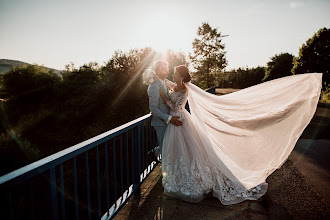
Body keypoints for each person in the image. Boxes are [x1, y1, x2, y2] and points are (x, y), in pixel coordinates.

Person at [159, 65, 322, 204]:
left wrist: (164, 97)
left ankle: (191, 181)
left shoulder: (186, 88)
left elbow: (175, 104)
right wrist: (162, 81)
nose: (173, 75)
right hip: (177, 121)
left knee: (189, 151)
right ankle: (180, 177)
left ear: (180, 75)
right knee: (184, 152)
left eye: (175, 73)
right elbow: (173, 86)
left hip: (178, 119)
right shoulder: (178, 85)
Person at [147, 60, 182, 160]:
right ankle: (165, 173)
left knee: (170, 147)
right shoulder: (153, 86)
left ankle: (156, 151)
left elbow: (177, 86)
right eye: (163, 69)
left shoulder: (164, 82)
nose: (166, 71)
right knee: (165, 151)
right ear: (157, 71)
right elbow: (153, 108)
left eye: (167, 69)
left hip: (169, 121)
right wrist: (169, 118)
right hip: (161, 123)